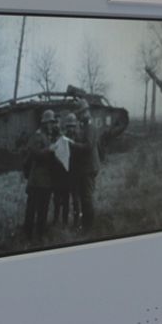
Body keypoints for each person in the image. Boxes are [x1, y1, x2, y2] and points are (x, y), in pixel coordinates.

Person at [23, 109, 62, 241]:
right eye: (50, 122)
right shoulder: (38, 136)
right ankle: (28, 234)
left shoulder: (47, 136)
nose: (52, 125)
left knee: (43, 208)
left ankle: (40, 234)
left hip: (46, 180)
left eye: (53, 122)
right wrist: (49, 150)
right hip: (36, 181)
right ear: (44, 123)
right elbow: (34, 153)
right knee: (32, 209)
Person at [70, 99, 101, 231]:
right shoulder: (85, 126)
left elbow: (88, 146)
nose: (79, 116)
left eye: (80, 113)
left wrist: (73, 144)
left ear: (85, 112)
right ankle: (86, 225)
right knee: (84, 197)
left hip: (89, 168)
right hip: (85, 168)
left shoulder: (90, 127)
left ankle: (89, 227)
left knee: (87, 198)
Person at [57, 112, 80, 226]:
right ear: (66, 127)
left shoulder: (79, 138)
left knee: (76, 199)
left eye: (72, 126)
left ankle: (76, 222)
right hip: (65, 174)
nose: (71, 129)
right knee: (65, 200)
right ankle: (65, 222)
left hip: (75, 174)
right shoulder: (62, 139)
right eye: (69, 126)